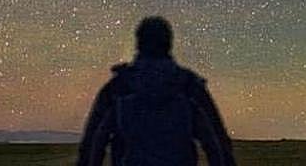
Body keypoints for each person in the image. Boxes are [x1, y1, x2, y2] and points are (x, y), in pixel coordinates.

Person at [76, 16, 237, 166]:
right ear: (169, 44)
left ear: (138, 43)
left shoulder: (119, 87)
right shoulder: (189, 86)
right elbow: (217, 142)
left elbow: (92, 142)